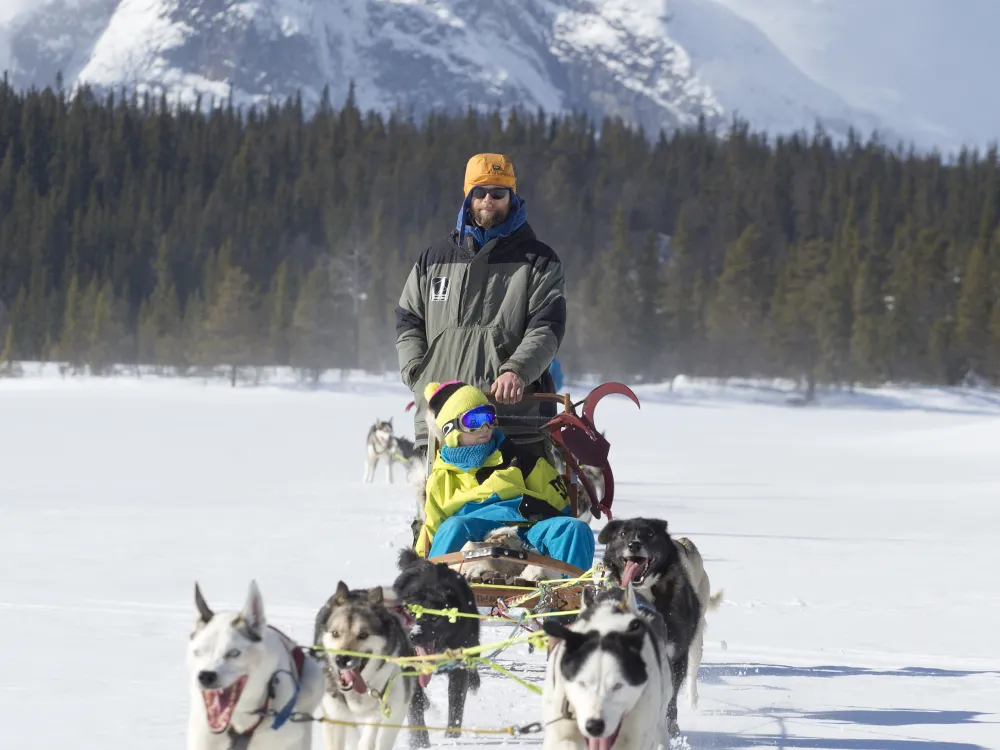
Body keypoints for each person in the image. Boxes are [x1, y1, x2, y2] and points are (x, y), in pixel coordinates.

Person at [395, 153, 566, 458]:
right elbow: (409, 319)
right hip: (442, 418)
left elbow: (547, 326)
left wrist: (517, 370)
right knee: (439, 505)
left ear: (511, 197)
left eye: (498, 192)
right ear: (468, 197)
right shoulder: (433, 260)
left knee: (516, 505)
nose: (489, 199)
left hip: (511, 422)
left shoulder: (539, 261)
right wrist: (416, 371)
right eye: (480, 192)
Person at [413, 381, 594, 573]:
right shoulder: (442, 477)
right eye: (474, 421)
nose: (485, 427)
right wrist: (419, 560)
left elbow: (559, 504)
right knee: (453, 526)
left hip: (525, 529)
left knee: (574, 529)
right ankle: (432, 590)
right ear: (452, 430)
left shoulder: (518, 460)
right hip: (472, 533)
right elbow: (433, 529)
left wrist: (562, 508)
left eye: (489, 417)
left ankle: (570, 594)